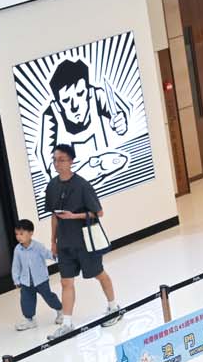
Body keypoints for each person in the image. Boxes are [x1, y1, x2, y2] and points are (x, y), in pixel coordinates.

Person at [41, 142, 120, 334]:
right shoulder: (52, 186)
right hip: (64, 243)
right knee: (66, 282)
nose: (57, 164)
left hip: (85, 242)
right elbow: (54, 216)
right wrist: (53, 241)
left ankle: (114, 307)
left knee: (98, 274)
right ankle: (67, 324)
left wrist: (73, 216)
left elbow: (98, 213)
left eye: (61, 160)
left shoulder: (82, 185)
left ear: (71, 162)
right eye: (55, 160)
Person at [9, 217, 63, 332]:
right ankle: (30, 320)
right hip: (26, 282)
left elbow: (48, 254)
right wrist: (16, 280)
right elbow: (16, 266)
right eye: (17, 234)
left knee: (48, 296)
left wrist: (59, 258)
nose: (18, 237)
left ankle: (60, 310)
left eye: (21, 234)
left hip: (41, 280)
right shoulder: (17, 250)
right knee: (26, 300)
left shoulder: (38, 246)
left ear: (30, 233)